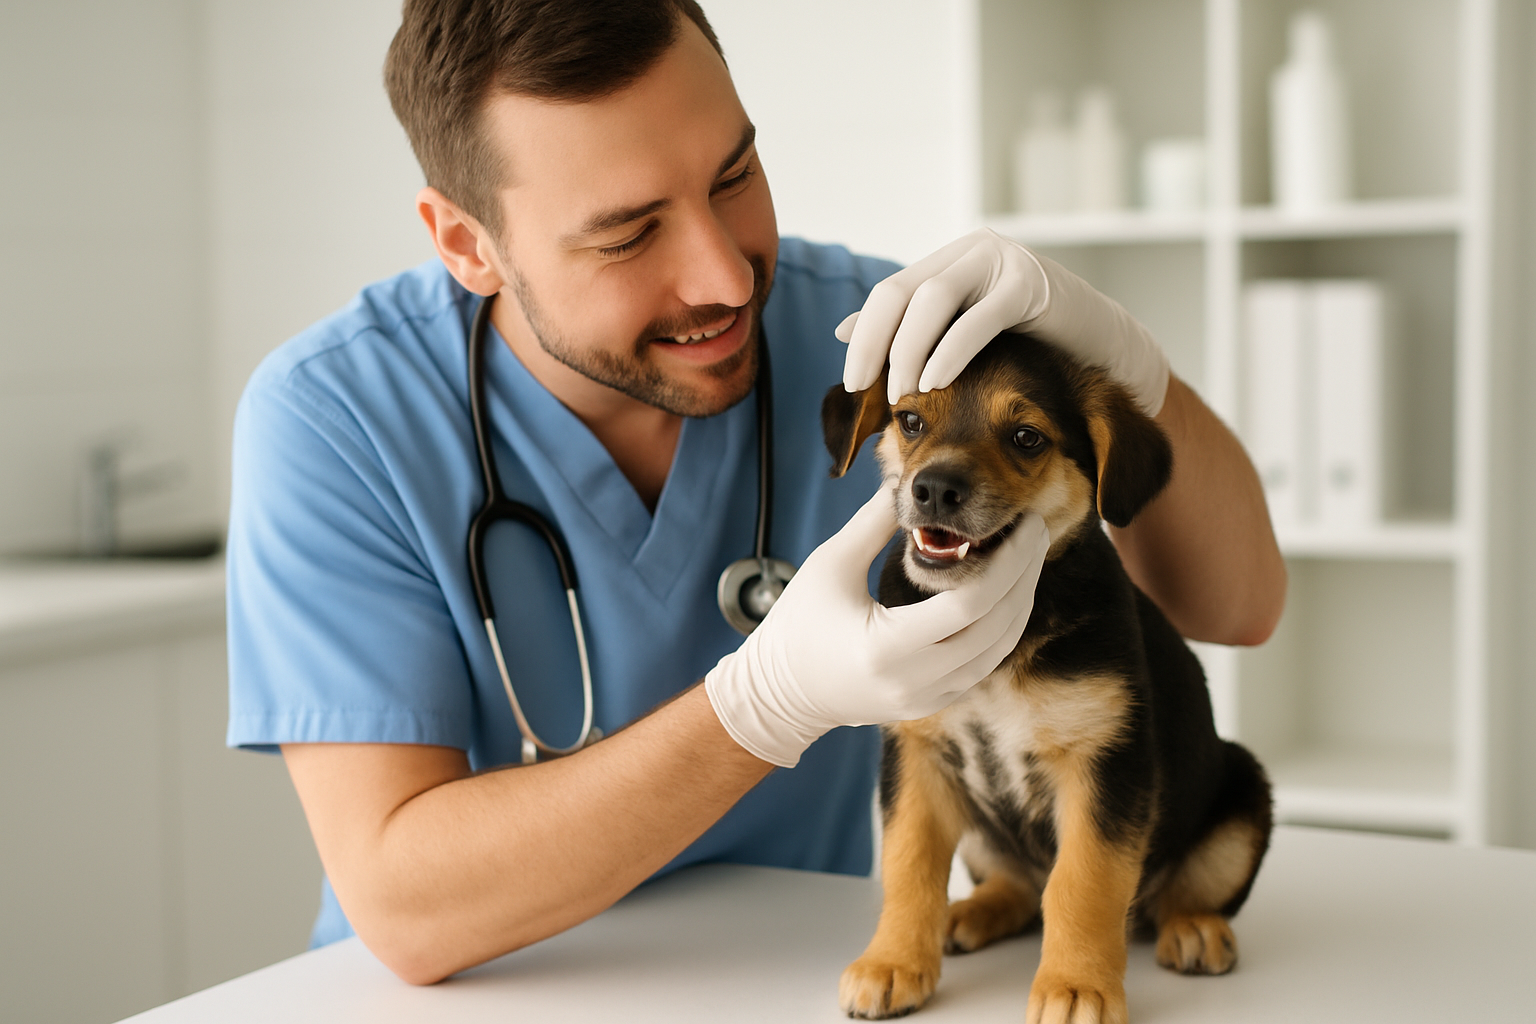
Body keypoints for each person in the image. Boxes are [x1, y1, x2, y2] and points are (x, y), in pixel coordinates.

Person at [226, 0, 1285, 987]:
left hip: (806, 975)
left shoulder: (888, 344)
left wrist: (1135, 370)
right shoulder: (337, 419)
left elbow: (1239, 606)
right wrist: (758, 706)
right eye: (629, 232)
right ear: (468, 243)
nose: (727, 277)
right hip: (495, 989)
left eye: (734, 174)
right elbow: (409, 913)